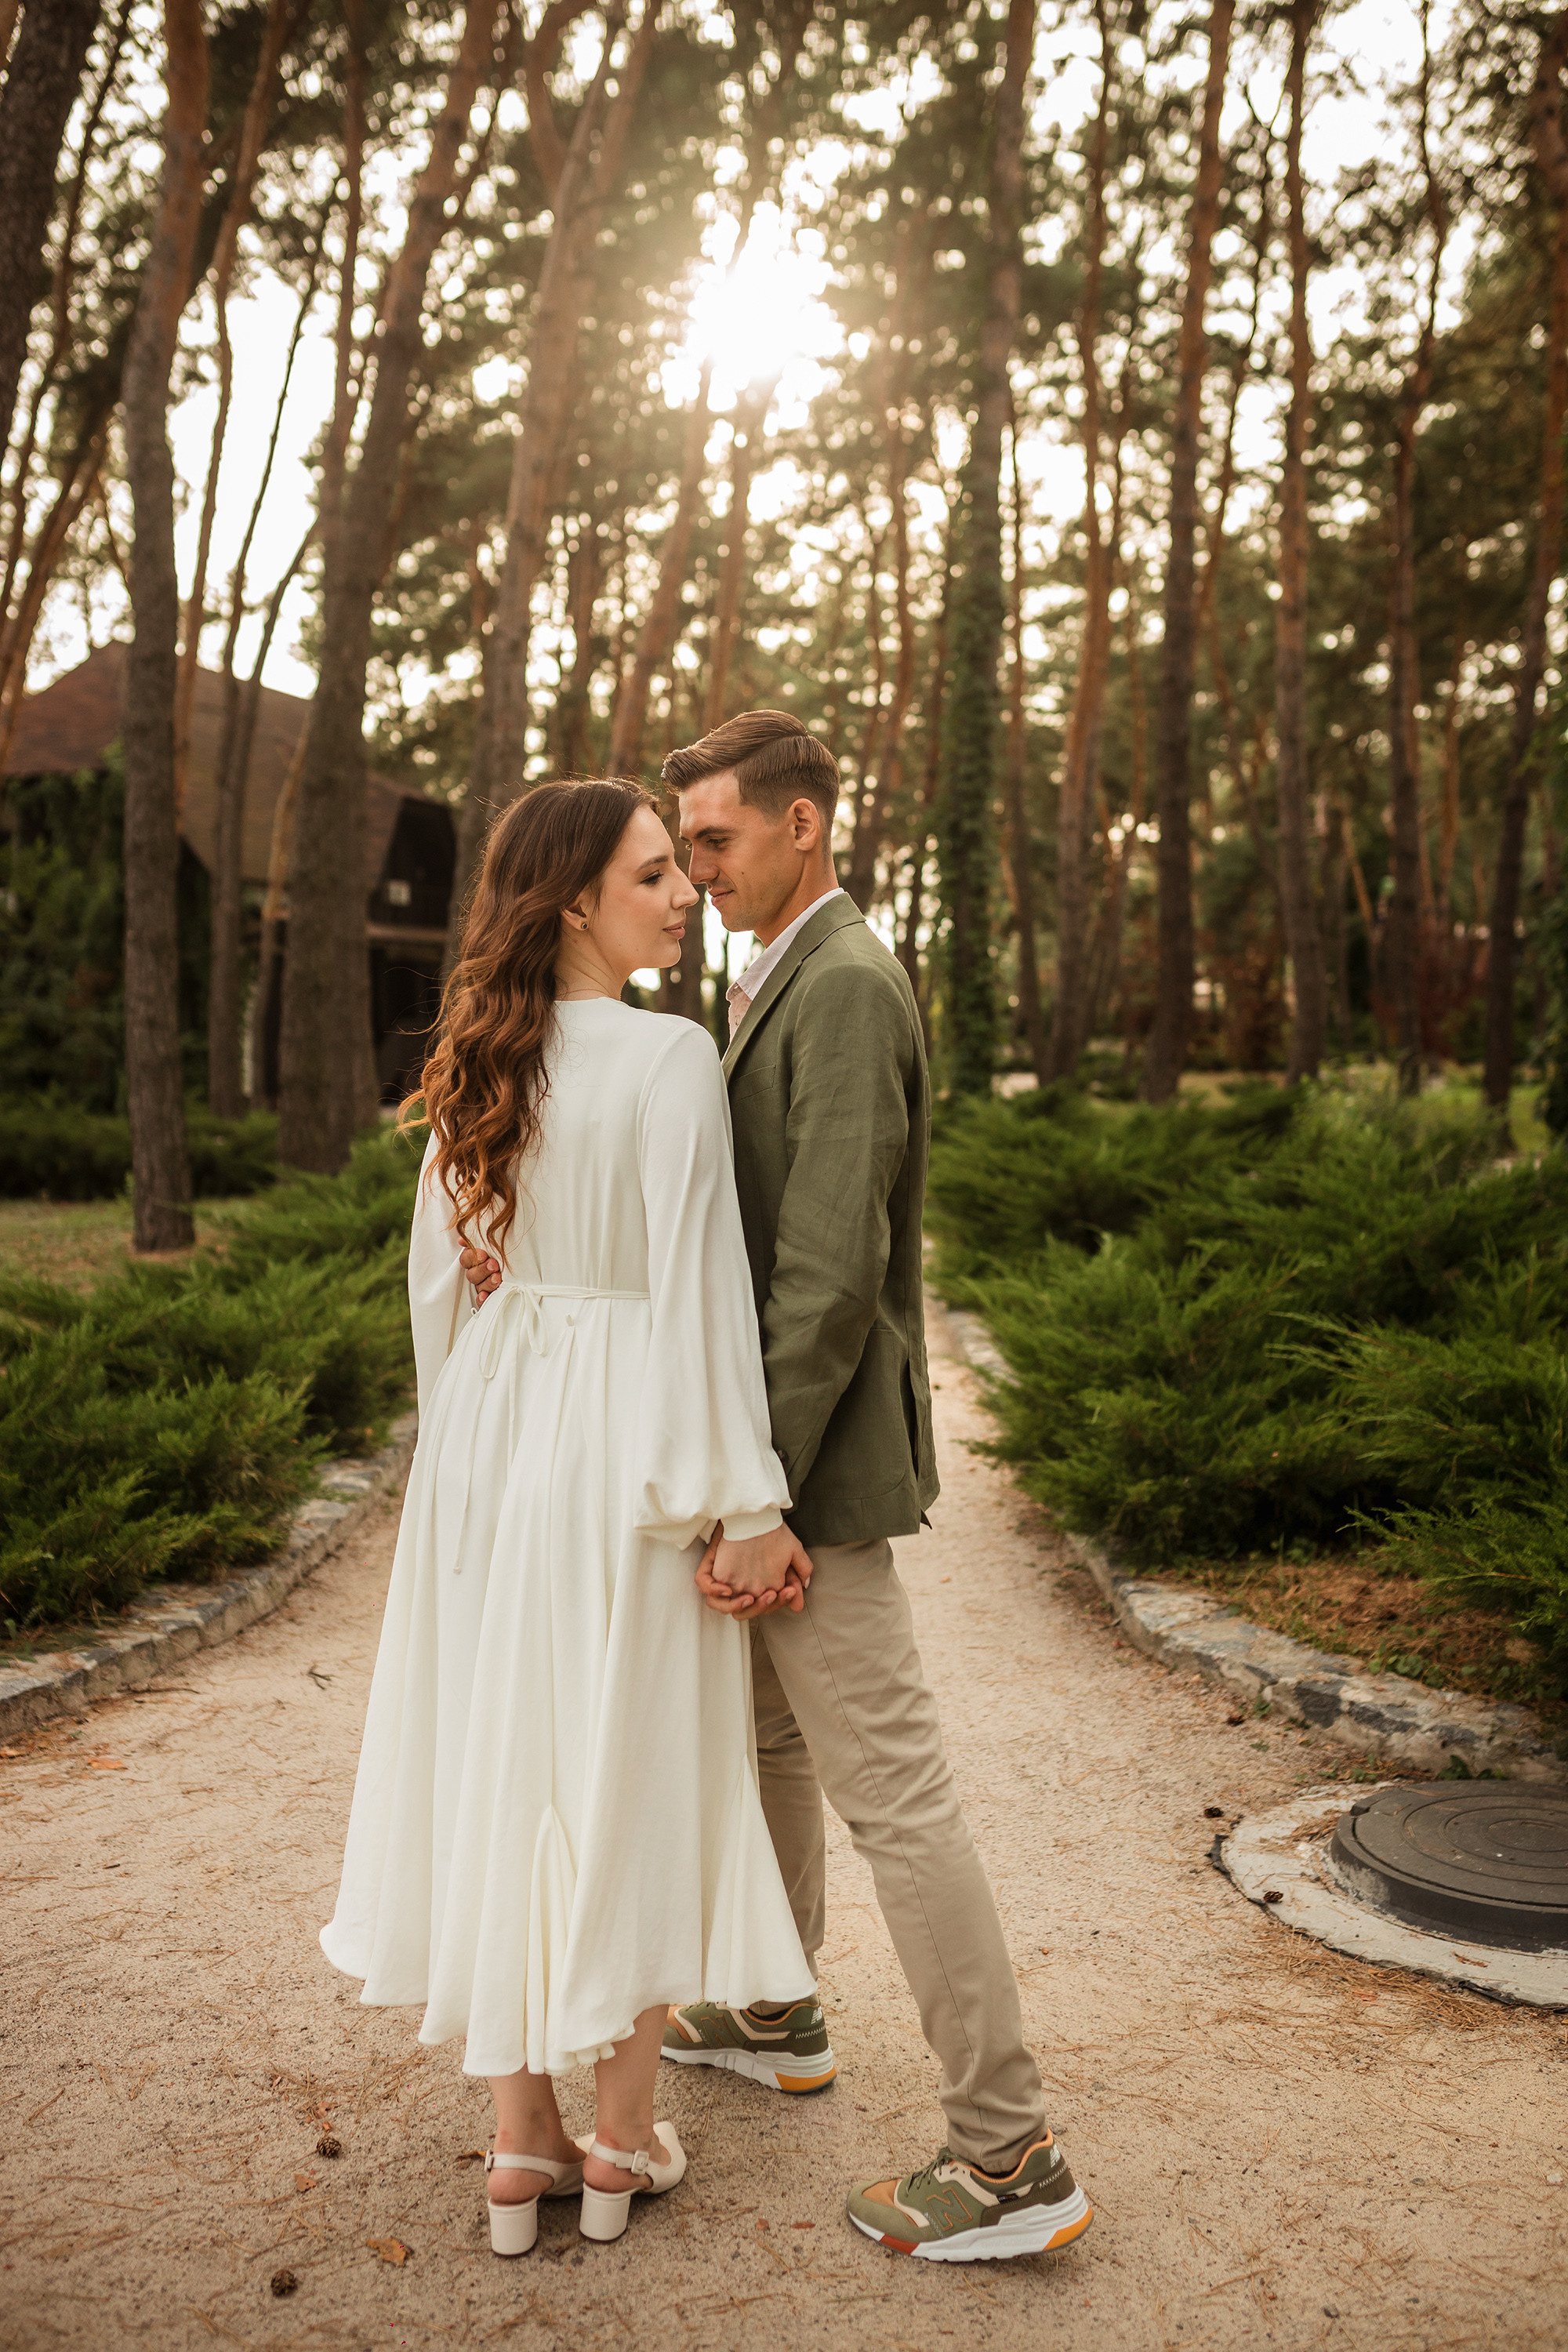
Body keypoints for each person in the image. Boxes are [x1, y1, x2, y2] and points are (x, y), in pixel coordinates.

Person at [464, 713, 1092, 2265]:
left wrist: (760, 1504)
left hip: (806, 1480)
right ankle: (775, 2004)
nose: (698, 875)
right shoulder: (774, 981)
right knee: (761, 1745)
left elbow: (820, 1283)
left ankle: (1010, 2162)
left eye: (718, 843)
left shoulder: (851, 984)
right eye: (679, 852)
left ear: (806, 825)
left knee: (899, 1796)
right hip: (747, 1470)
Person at [320, 778, 817, 2259]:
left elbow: (438, 1289)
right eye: (657, 873)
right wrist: (744, 1499)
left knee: (498, 1755)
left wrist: (472, 1439)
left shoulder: (484, 1061)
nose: (685, 893)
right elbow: (701, 1297)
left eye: (686, 867)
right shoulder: (672, 1060)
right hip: (622, 1445)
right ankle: (616, 2138)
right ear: (576, 903)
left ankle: (517, 2146)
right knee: (631, 1764)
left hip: (491, 1433)